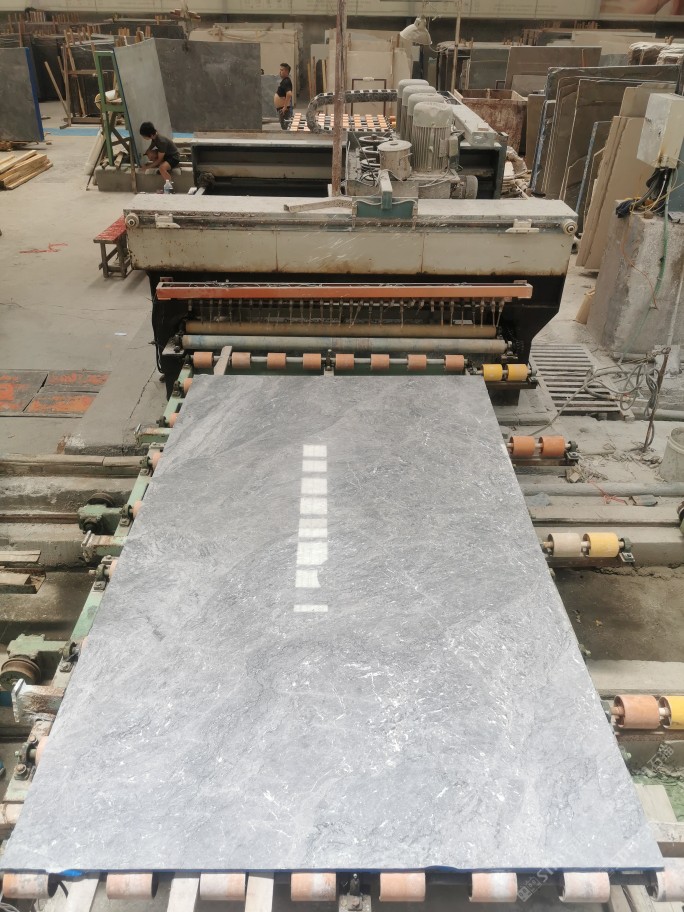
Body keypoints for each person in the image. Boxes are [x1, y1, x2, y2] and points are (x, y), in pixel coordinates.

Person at [274, 63, 293, 130]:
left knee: (286, 129)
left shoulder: (286, 81)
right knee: (285, 128)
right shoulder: (285, 81)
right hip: (283, 109)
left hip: (284, 110)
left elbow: (289, 94)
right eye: (280, 70)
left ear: (286, 71)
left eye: (282, 70)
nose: (280, 72)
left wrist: (284, 107)